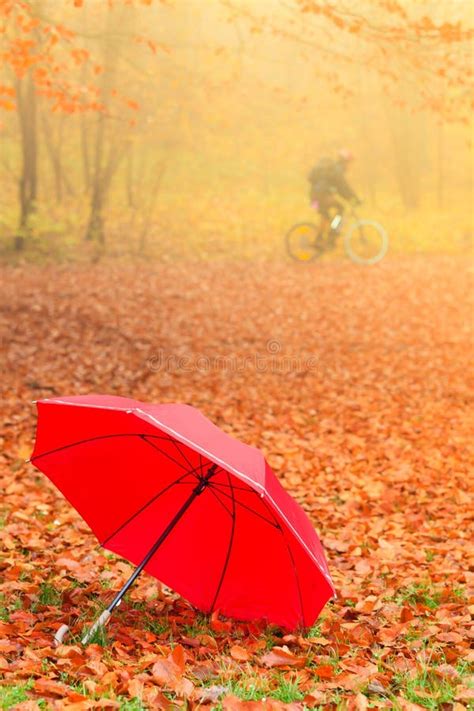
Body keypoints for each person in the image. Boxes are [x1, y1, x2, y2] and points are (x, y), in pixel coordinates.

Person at [308, 149, 361, 237]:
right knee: (341, 208)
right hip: (318, 198)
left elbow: (342, 189)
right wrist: (355, 199)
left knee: (326, 216)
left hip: (314, 200)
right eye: (350, 163)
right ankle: (331, 234)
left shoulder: (333, 170)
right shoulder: (337, 171)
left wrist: (351, 198)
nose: (350, 165)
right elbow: (344, 188)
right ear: (345, 162)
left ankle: (324, 239)